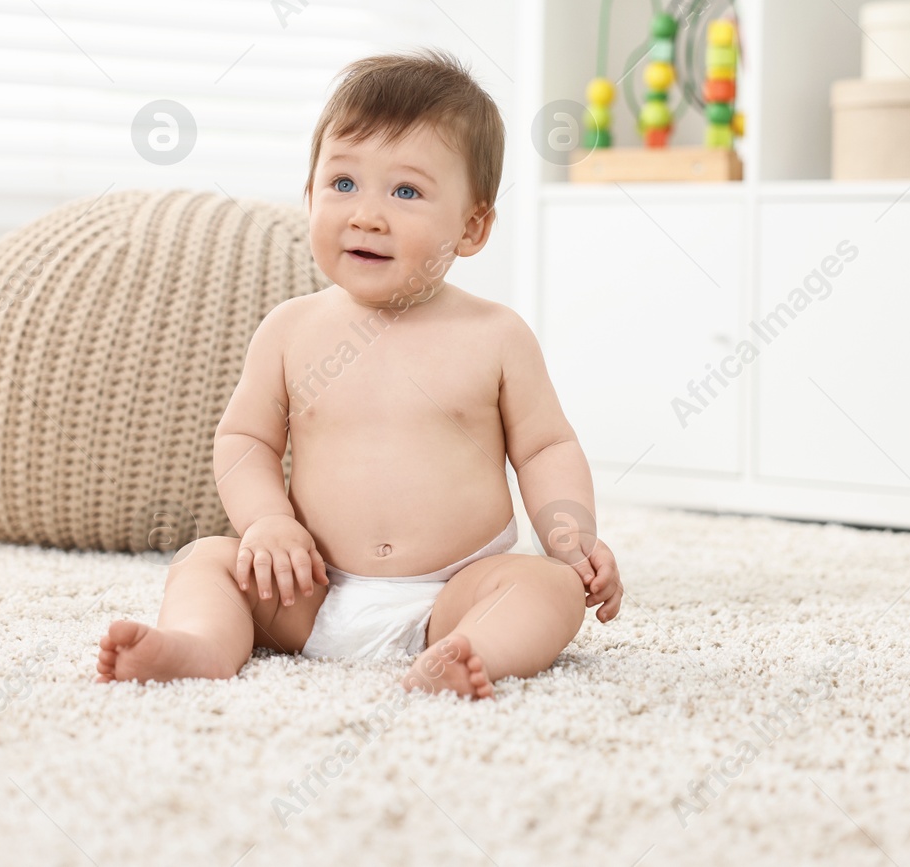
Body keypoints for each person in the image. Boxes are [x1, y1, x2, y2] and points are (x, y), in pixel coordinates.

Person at [97, 48, 623, 699]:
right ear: (310, 193)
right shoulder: (290, 329)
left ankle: (467, 654)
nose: (366, 213)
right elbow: (245, 441)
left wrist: (571, 536)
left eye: (405, 191)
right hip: (309, 587)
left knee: (547, 588)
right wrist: (267, 522)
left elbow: (546, 446)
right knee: (207, 559)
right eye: (343, 184)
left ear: (473, 225)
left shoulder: (496, 336)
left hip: (452, 594)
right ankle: (200, 645)